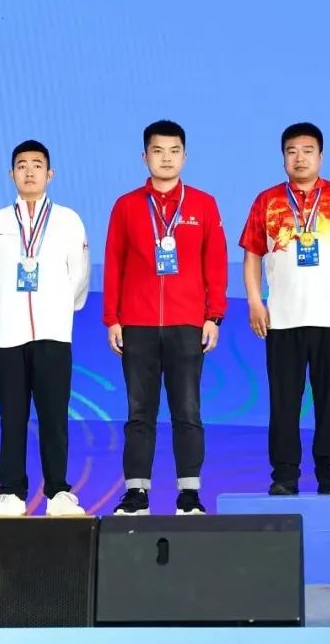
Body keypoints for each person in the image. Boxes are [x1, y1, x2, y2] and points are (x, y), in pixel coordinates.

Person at [103, 120, 228, 516]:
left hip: (187, 324)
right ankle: (136, 494)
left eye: (174, 151)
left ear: (185, 157)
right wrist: (112, 318)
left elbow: (216, 262)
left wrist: (214, 316)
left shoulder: (203, 204)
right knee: (139, 413)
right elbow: (114, 263)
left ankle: (189, 495)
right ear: (145, 156)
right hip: (137, 324)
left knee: (187, 412)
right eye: (158, 151)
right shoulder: (126, 206)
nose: (166, 158)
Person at [239, 122, 330, 495]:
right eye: (292, 151)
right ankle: (284, 475)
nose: (300, 158)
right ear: (283, 157)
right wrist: (255, 301)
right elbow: (252, 256)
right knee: (283, 402)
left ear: (321, 156)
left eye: (308, 150)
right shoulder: (267, 201)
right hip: (281, 320)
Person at [0, 140, 89, 517]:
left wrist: (58, 309)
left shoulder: (68, 221)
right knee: (12, 416)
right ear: (11, 174)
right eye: (22, 165)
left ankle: (58, 491)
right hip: (8, 336)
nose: (29, 171)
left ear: (50, 174)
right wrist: (8, 309)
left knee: (54, 416)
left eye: (37, 165)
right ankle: (11, 492)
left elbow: (79, 275)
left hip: (54, 333)